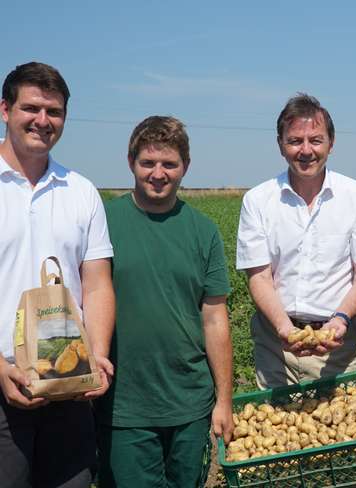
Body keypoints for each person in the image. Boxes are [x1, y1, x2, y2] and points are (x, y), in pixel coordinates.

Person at [95, 116, 234, 487]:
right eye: (148, 163)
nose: (158, 173)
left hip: (189, 403)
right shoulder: (103, 222)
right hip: (124, 405)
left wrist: (224, 400)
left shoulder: (203, 231)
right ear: (131, 163)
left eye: (169, 164)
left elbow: (215, 319)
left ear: (185, 167)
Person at [0, 62, 114, 487]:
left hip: (69, 383)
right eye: (32, 108)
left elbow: (97, 283)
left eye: (55, 112)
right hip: (3, 382)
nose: (43, 121)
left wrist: (97, 355)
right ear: (5, 109)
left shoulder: (81, 191)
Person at [236, 93, 356, 388]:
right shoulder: (259, 200)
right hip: (276, 344)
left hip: (339, 345)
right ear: (280, 144)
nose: (306, 150)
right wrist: (284, 328)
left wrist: (339, 320)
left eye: (315, 140)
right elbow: (259, 277)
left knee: (342, 428)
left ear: (331, 143)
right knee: (276, 427)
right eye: (295, 141)